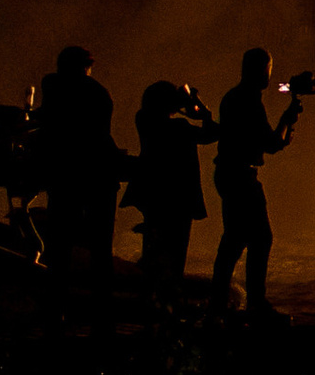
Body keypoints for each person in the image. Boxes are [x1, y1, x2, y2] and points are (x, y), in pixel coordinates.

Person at [212, 48, 303, 320]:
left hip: (228, 173)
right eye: (268, 69)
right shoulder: (249, 100)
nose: (269, 75)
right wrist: (286, 120)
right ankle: (256, 303)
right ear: (261, 70)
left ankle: (217, 303)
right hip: (241, 175)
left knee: (234, 240)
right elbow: (271, 143)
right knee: (261, 238)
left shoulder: (232, 97)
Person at [33, 46, 121, 275]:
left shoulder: (53, 84)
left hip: (66, 170)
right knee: (100, 242)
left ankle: (56, 293)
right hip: (99, 170)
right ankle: (101, 297)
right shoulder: (99, 92)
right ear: (87, 67)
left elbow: (48, 121)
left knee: (60, 237)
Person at [124, 81, 218, 285]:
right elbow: (212, 134)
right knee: (175, 253)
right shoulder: (179, 127)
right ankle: (167, 298)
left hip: (151, 194)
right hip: (178, 198)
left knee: (153, 247)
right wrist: (204, 113)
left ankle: (150, 294)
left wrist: (182, 106)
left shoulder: (143, 119)